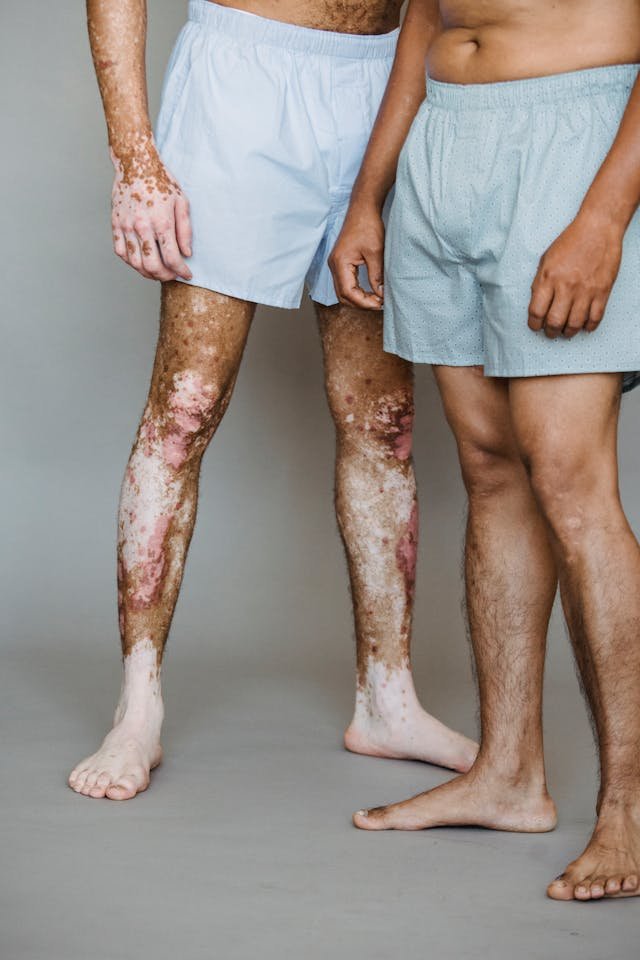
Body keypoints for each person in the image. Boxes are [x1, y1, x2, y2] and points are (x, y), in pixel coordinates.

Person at [68, 0, 477, 803]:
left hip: (387, 81)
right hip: (243, 80)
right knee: (185, 409)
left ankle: (388, 700)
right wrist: (133, 155)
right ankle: (137, 705)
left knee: (385, 423)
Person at [331, 0, 640, 902]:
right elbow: (426, 17)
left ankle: (629, 808)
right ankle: (508, 775)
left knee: (572, 487)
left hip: (571, 138)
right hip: (444, 143)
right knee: (492, 472)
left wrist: (605, 217)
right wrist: (368, 195)